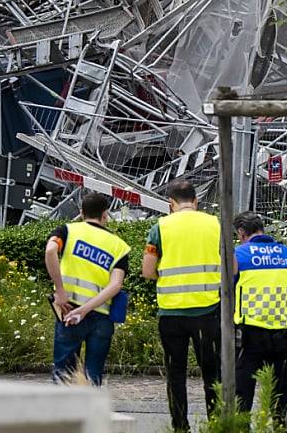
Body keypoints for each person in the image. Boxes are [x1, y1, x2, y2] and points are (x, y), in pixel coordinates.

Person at [141, 180, 222, 432]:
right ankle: (217, 422)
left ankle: (180, 426)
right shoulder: (214, 224)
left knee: (175, 372)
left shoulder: (160, 227)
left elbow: (147, 270)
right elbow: (230, 263)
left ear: (171, 204)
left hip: (171, 313)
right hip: (207, 311)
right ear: (196, 201)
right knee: (212, 372)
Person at [45, 192, 130, 385]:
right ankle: (90, 414)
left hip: (69, 311)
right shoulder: (120, 246)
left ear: (82, 212)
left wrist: (60, 291)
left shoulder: (67, 231)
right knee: (93, 375)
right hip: (101, 316)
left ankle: (63, 414)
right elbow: (116, 284)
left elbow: (50, 250)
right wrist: (85, 310)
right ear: (105, 215)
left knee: (64, 373)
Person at [231, 212, 287, 420]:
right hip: (283, 331)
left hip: (250, 332)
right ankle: (280, 426)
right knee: (280, 390)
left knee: (243, 391)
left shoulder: (238, 255)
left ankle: (241, 426)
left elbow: (227, 289)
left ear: (241, 233)